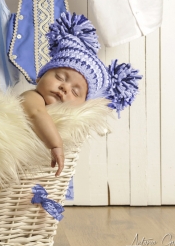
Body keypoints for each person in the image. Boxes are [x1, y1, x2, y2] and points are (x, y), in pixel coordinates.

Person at [20, 12, 142, 177]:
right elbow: (36, 114)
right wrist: (56, 145)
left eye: (75, 91)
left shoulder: (73, 122)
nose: (64, 87)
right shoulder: (32, 97)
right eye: (59, 77)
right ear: (40, 76)